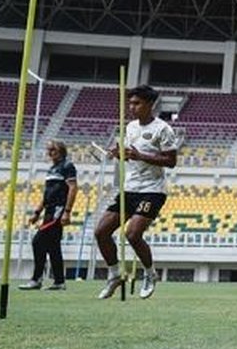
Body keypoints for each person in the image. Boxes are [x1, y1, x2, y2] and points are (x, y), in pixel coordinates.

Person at [95, 84, 178, 300]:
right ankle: (114, 275)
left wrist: (140, 156)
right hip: (129, 188)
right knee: (101, 232)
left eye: (137, 103)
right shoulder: (130, 127)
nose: (132, 107)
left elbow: (171, 161)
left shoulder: (163, 129)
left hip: (152, 190)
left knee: (132, 233)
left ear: (150, 104)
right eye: (130, 103)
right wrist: (120, 154)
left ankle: (150, 274)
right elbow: (129, 154)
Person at [19, 141, 76, 291]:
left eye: (53, 149)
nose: (50, 152)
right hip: (49, 210)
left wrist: (67, 211)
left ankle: (36, 279)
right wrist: (37, 212)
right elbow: (47, 195)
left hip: (58, 210)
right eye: (48, 150)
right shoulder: (51, 169)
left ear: (62, 151)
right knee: (53, 247)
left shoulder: (67, 166)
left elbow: (73, 188)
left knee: (38, 242)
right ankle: (59, 282)